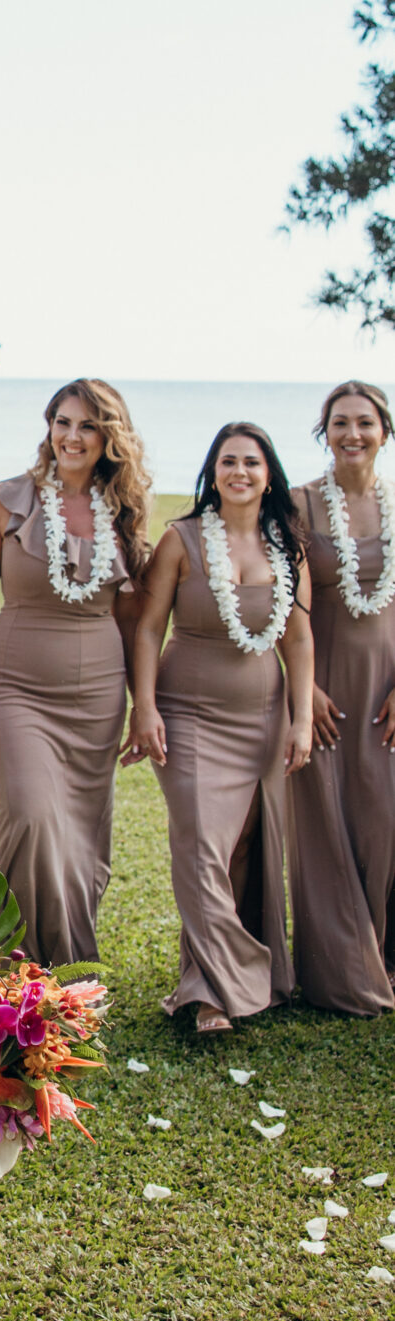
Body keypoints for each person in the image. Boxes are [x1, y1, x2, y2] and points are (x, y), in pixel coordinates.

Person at [0, 379, 150, 966]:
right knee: (33, 817)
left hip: (97, 699)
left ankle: (65, 968)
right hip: (16, 689)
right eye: (63, 422)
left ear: (108, 437)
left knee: (80, 837)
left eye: (87, 425)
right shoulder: (10, 500)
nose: (72, 436)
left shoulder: (125, 513)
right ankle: (10, 962)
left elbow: (136, 621)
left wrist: (145, 706)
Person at [124, 424, 311, 1035]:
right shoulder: (181, 540)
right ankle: (244, 971)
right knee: (202, 846)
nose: (239, 472)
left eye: (251, 462)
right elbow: (149, 627)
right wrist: (144, 706)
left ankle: (206, 990)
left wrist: (302, 718)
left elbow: (300, 639)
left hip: (261, 717)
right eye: (228, 461)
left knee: (237, 853)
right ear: (213, 472)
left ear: (268, 474)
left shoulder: (287, 544)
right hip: (187, 715)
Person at [288, 379, 395, 1014]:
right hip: (322, 687)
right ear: (325, 433)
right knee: (327, 825)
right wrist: (307, 692)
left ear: (384, 431)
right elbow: (282, 605)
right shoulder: (299, 505)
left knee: (383, 823)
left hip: (385, 684)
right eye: (339, 423)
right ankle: (338, 976)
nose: (352, 433)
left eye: (364, 422)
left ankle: (382, 955)